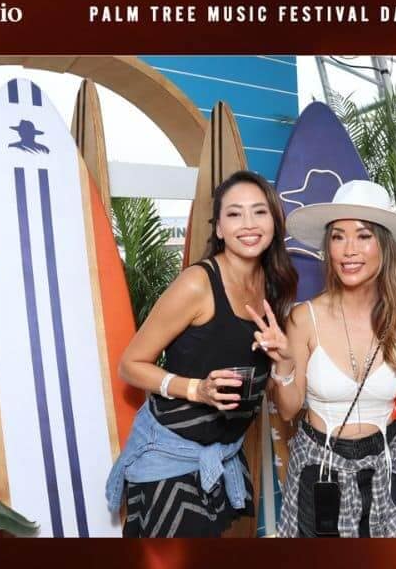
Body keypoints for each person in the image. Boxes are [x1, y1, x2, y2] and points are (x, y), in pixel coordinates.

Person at [105, 170, 297, 537]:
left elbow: (279, 394)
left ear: (274, 221)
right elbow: (130, 365)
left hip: (221, 456)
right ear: (219, 228)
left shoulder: (272, 284)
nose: (248, 224)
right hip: (169, 459)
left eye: (259, 212)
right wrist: (197, 390)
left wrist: (284, 358)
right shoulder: (197, 284)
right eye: (235, 214)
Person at [251, 180, 396, 538]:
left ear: (385, 246)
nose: (349, 250)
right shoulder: (303, 318)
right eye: (338, 237)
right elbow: (289, 410)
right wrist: (284, 363)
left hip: (388, 470)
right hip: (319, 472)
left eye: (363, 236)